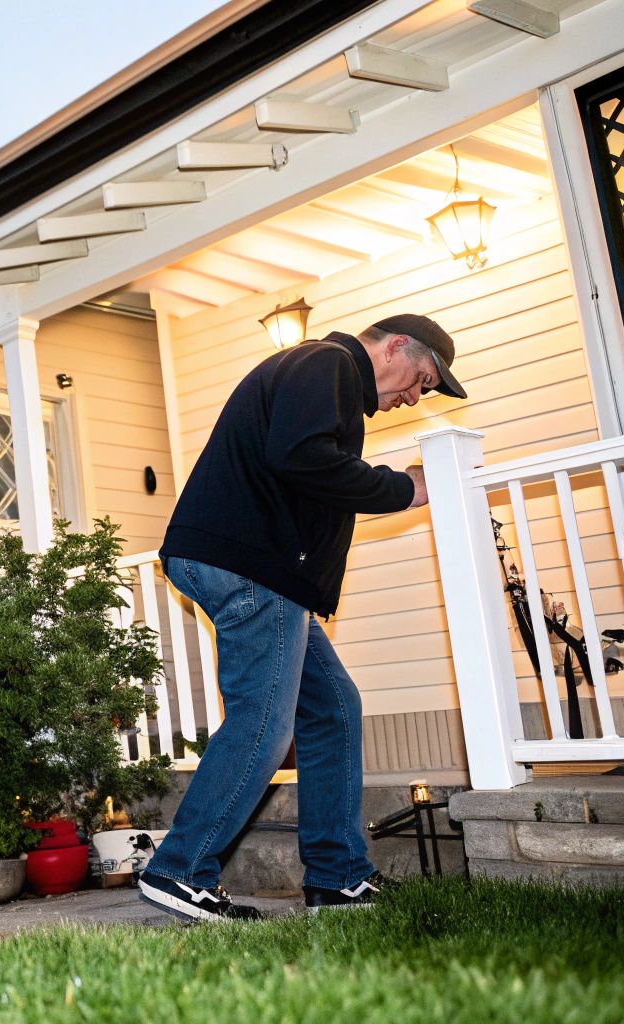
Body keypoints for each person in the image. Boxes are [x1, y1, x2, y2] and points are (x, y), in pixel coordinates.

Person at [136, 313, 466, 923]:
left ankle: (337, 879)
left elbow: (300, 471)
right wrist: (404, 488)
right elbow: (303, 459)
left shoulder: (321, 372)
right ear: (396, 347)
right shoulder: (329, 365)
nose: (413, 397)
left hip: (258, 568)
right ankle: (180, 869)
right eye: (421, 379)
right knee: (264, 725)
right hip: (252, 566)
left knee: (334, 708)